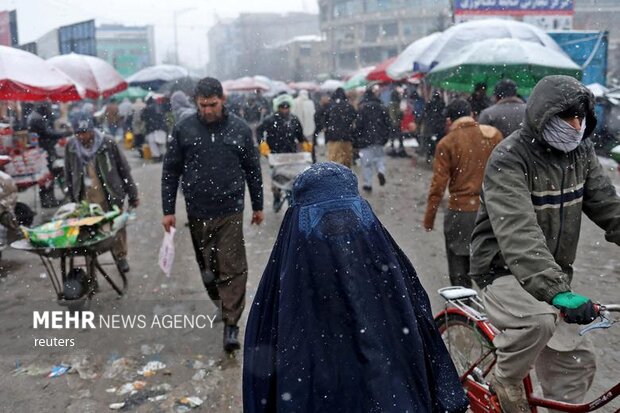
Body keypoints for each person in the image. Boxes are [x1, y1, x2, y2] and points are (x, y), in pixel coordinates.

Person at [243, 162, 469, 413]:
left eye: (346, 217)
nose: (338, 231)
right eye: (324, 220)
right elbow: (424, 343)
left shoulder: (285, 280)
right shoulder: (388, 266)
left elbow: (262, 371)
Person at [469, 75, 620, 413]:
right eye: (568, 116)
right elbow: (519, 234)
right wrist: (555, 290)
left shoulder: (581, 152)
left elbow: (610, 209)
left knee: (577, 362)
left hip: (552, 274)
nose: (576, 125)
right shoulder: (510, 158)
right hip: (503, 269)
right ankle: (505, 378)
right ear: (544, 115)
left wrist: (555, 285)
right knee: (539, 320)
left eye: (581, 117)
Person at [161, 77, 264, 353]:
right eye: (203, 105)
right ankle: (221, 300)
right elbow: (171, 171)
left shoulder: (239, 130)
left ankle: (232, 324)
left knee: (231, 265)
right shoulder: (184, 129)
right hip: (197, 209)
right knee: (208, 269)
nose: (208, 110)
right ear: (196, 103)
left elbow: (253, 169)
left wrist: (258, 205)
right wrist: (168, 210)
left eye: (213, 104)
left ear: (223, 100)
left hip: (230, 208)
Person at [423, 99, 502, 288]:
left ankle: (464, 310)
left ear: (449, 120)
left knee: (459, 270)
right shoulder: (493, 136)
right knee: (490, 267)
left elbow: (438, 185)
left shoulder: (447, 142)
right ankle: (491, 310)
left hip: (460, 212)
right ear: (473, 114)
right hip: (491, 211)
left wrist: (429, 217)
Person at [64, 112, 139, 273]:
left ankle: (121, 256)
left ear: (92, 130)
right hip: (85, 197)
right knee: (88, 233)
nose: (81, 137)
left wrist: (133, 194)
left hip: (110, 193)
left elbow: (123, 169)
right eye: (78, 133)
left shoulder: (107, 143)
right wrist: (72, 198)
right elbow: (68, 173)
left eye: (84, 132)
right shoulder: (71, 147)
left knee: (117, 226)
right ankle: (92, 262)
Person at [27, 102, 73, 208]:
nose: (50, 110)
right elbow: (48, 133)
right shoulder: (37, 118)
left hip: (43, 150)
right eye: (48, 108)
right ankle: (48, 200)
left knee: (48, 176)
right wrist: (64, 133)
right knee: (48, 175)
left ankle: (49, 199)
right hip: (43, 151)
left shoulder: (36, 116)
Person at [355, 85, 393, 192]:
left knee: (366, 163)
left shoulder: (362, 109)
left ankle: (368, 184)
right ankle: (381, 171)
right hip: (379, 139)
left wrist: (357, 138)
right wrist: (385, 136)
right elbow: (388, 124)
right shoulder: (382, 108)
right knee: (380, 158)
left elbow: (359, 125)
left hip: (365, 141)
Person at [320, 88, 356, 168]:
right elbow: (354, 120)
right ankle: (345, 177)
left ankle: (334, 177)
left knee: (333, 161)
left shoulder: (330, 107)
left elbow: (324, 120)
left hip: (333, 137)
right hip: (346, 137)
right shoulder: (349, 107)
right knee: (346, 162)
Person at [419, 91, 446, 163]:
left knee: (429, 141)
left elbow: (424, 112)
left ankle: (429, 155)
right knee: (437, 142)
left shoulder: (430, 103)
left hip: (430, 126)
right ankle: (435, 155)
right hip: (438, 126)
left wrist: (420, 120)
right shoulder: (441, 104)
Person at [142, 97, 168, 162]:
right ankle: (163, 156)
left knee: (152, 143)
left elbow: (143, 117)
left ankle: (156, 157)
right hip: (162, 127)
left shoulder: (147, 108)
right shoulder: (160, 106)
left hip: (152, 128)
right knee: (162, 144)